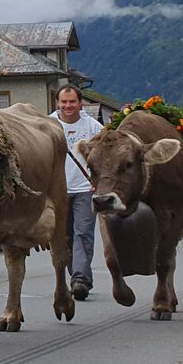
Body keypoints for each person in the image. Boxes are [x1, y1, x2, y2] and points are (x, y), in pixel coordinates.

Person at [54, 85, 103, 300]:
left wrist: (99, 181)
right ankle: (75, 274)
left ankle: (80, 280)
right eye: (64, 102)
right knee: (63, 237)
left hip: (84, 189)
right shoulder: (47, 125)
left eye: (72, 102)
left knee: (82, 233)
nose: (68, 106)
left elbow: (105, 155)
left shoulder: (93, 127)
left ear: (80, 103)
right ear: (57, 103)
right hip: (58, 190)